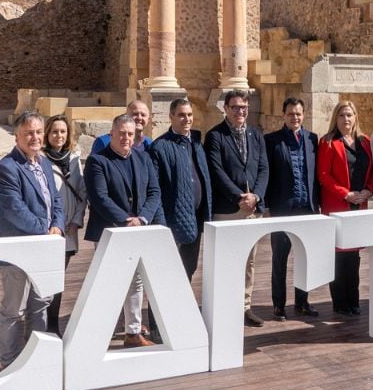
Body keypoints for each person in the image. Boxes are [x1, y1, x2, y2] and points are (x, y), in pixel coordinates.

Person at [0, 112, 65, 366]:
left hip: (43, 248)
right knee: (14, 310)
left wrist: (57, 224)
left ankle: (36, 359)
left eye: (37, 132)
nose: (35, 137)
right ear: (17, 137)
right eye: (29, 133)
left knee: (40, 304)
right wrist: (45, 232)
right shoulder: (6, 168)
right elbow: (14, 210)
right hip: (18, 251)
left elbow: (55, 199)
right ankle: (10, 363)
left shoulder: (44, 162)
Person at [84, 114, 162, 348]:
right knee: (108, 281)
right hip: (111, 230)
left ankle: (133, 332)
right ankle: (99, 332)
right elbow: (100, 198)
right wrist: (127, 220)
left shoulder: (143, 157)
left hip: (138, 229)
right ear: (112, 134)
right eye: (121, 133)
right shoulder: (98, 161)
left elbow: (154, 192)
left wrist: (143, 218)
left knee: (136, 281)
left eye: (130, 134)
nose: (126, 138)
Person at [205, 89, 269, 327]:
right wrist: (239, 197)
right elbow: (217, 171)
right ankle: (223, 306)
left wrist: (257, 196)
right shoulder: (215, 136)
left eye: (243, 107)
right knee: (226, 259)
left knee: (249, 262)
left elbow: (264, 168)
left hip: (253, 209)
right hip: (228, 209)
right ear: (226, 109)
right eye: (235, 107)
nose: (240, 111)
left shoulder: (256, 134)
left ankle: (245, 307)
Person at [316, 101, 373, 316]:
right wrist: (345, 193)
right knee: (339, 256)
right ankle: (340, 303)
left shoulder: (366, 142)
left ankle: (354, 300)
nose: (346, 119)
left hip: (359, 205)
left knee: (355, 256)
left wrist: (369, 190)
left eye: (349, 114)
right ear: (336, 118)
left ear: (355, 117)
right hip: (338, 204)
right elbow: (324, 176)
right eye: (342, 115)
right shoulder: (328, 142)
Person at [264, 97, 321, 320]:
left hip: (307, 208)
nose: (294, 117)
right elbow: (267, 175)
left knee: (304, 257)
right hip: (282, 209)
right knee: (280, 258)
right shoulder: (272, 141)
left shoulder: (312, 139)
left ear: (303, 114)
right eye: (290, 114)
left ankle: (302, 302)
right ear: (283, 115)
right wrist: (267, 206)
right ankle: (278, 304)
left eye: (298, 113)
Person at [148, 98, 212, 280]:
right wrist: (160, 223)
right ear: (171, 117)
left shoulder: (197, 144)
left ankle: (181, 309)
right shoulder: (159, 147)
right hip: (171, 219)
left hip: (197, 217)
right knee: (166, 273)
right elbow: (155, 189)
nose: (187, 119)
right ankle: (158, 310)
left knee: (188, 268)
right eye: (181, 115)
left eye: (190, 115)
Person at [41, 113, 87, 336]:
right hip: (49, 229)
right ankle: (39, 325)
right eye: (54, 132)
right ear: (47, 134)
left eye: (62, 132)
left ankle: (53, 325)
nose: (59, 136)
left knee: (58, 279)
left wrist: (77, 220)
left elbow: (82, 192)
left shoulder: (74, 158)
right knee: (45, 279)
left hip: (69, 228)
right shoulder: (41, 160)